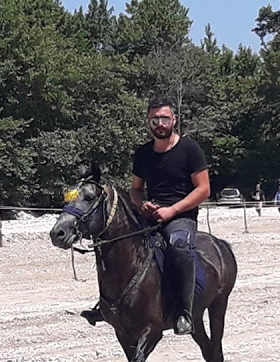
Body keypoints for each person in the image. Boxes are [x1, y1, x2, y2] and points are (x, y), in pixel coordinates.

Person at [81, 97, 209, 336]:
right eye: (154, 120)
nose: (159, 124)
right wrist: (142, 205)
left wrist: (172, 210)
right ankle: (107, 304)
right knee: (115, 245)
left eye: (163, 118)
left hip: (181, 217)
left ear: (173, 120)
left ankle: (183, 312)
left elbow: (203, 189)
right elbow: (135, 190)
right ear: (149, 122)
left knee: (178, 248)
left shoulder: (190, 149)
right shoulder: (143, 154)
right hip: (150, 215)